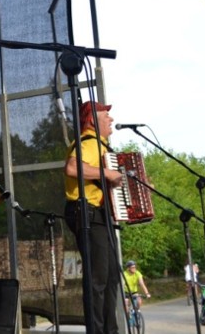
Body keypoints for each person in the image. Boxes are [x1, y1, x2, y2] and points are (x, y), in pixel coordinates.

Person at [63, 101, 123, 334]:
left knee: (110, 279)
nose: (111, 119)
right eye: (105, 115)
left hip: (99, 215)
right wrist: (108, 173)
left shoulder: (102, 146)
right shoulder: (88, 142)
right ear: (92, 120)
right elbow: (72, 167)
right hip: (86, 212)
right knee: (98, 280)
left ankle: (110, 330)